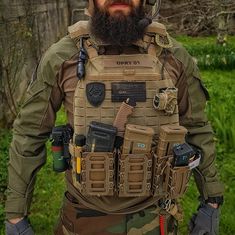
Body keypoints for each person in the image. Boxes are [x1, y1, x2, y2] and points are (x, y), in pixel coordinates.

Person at [5, 0, 224, 234]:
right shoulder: (62, 57)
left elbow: (197, 128)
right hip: (82, 219)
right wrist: (16, 215)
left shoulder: (174, 57)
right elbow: (29, 133)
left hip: (157, 217)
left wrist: (211, 201)